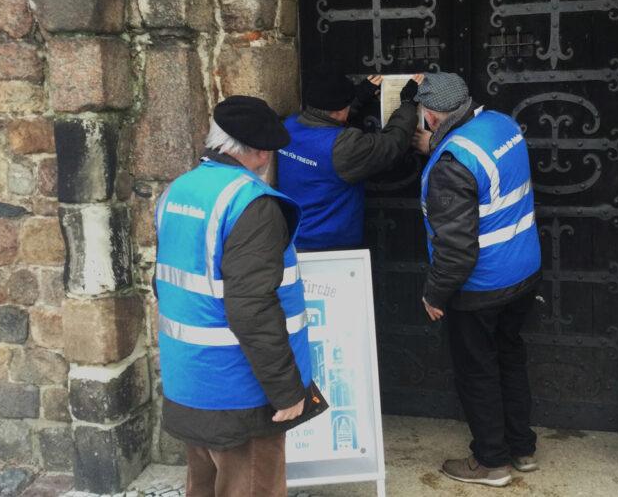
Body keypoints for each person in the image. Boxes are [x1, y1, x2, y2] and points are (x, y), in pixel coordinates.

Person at [153, 96, 326, 497]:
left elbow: (163, 284)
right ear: (263, 151)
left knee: (204, 486)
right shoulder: (253, 204)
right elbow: (252, 308)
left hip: (192, 380)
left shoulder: (178, 191)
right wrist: (286, 389)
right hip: (241, 389)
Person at [412, 72, 542, 488]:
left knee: (477, 371)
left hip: (481, 286)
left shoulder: (451, 166)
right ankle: (521, 448)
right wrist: (436, 146)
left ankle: (491, 462)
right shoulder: (500, 123)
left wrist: (435, 294)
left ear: (431, 117)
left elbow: (456, 248)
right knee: (509, 357)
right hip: (523, 270)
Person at [277, 71, 423, 250]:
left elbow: (326, 119)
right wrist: (407, 103)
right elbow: (391, 144)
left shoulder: (288, 126)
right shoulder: (342, 147)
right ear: (339, 110)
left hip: (291, 237)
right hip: (329, 244)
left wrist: (358, 97)